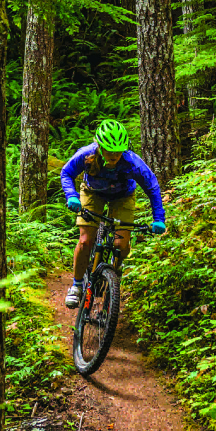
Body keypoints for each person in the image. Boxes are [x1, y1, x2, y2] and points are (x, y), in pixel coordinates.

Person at [60, 119, 166, 309]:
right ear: (100, 147)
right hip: (92, 192)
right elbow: (66, 173)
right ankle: (76, 285)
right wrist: (72, 196)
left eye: (118, 151)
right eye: (110, 150)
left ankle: (113, 277)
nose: (115, 155)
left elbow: (152, 187)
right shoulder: (86, 155)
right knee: (85, 241)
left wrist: (158, 218)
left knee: (121, 245)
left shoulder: (132, 161)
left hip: (122, 196)